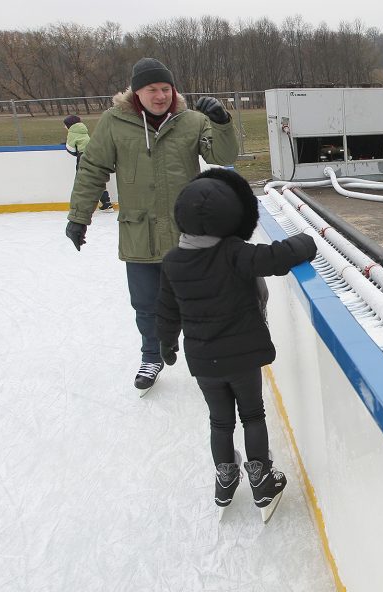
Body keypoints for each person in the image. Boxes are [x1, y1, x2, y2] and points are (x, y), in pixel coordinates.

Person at [64, 57, 239, 393]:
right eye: (152, 89)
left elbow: (221, 154)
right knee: (146, 303)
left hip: (186, 234)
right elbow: (92, 170)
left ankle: (208, 355)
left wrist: (221, 122)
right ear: (136, 91)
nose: (160, 95)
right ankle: (152, 354)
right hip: (139, 232)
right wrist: (78, 216)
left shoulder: (190, 121)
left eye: (165, 88)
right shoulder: (114, 122)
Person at [156, 167, 317, 522]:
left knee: (220, 422)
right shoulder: (233, 252)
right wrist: (306, 243)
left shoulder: (172, 263)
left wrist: (166, 344)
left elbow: (166, 311)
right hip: (242, 360)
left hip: (203, 362)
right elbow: (275, 258)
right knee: (252, 415)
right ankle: (261, 479)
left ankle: (225, 479)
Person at [63, 115, 114, 212]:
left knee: (82, 182)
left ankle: (81, 207)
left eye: (65, 125)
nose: (64, 127)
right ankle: (106, 203)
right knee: (96, 180)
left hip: (83, 157)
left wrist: (66, 144)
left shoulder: (72, 133)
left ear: (69, 125)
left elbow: (71, 149)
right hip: (96, 155)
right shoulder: (83, 130)